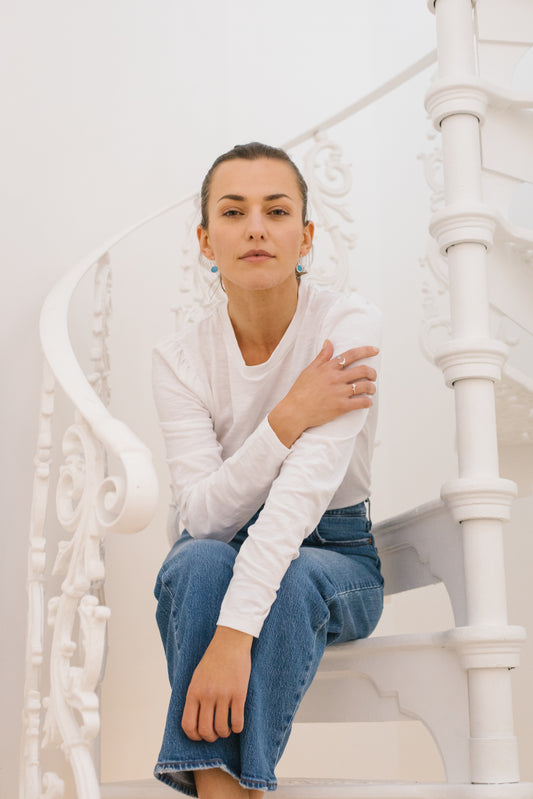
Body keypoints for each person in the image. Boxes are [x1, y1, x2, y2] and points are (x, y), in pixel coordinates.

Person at [152, 142, 384, 798]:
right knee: (197, 561)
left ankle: (223, 790)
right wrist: (286, 417)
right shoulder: (179, 358)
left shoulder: (345, 323)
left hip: (336, 556)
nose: (255, 226)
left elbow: (302, 495)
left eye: (276, 210)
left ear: (304, 235)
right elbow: (201, 517)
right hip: (224, 551)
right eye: (234, 211)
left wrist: (232, 635)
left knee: (293, 578)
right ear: (205, 239)